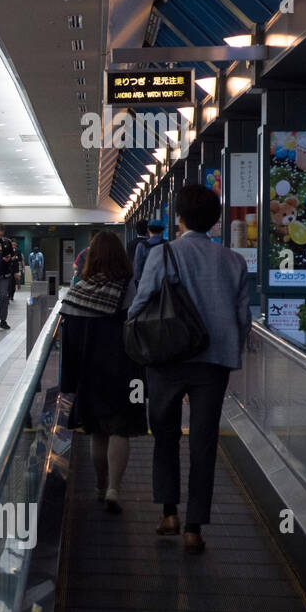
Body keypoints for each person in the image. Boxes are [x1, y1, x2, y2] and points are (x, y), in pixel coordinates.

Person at [129, 185, 249, 555]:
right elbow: (242, 318)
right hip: (213, 363)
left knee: (165, 434)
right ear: (216, 221)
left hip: (167, 358)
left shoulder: (162, 254)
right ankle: (194, 528)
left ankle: (168, 513)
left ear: (178, 219)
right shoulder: (234, 261)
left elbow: (141, 302)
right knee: (203, 443)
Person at [60, 232, 146, 514]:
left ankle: (99, 484)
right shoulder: (128, 290)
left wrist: (69, 383)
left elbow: (69, 345)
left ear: (91, 258)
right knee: (120, 431)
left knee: (97, 433)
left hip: (90, 374)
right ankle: (114, 488)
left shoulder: (77, 292)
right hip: (126, 373)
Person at [130, 219, 166, 288]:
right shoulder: (168, 244)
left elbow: (138, 265)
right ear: (162, 231)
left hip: (147, 282)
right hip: (164, 283)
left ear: (148, 230)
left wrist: (138, 281)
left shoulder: (142, 245)